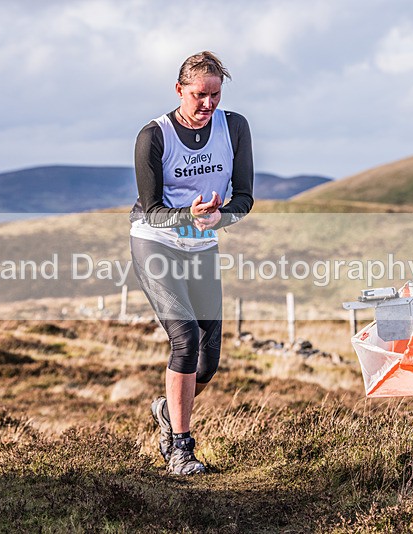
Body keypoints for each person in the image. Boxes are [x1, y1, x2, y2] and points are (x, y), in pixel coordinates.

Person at [130, 51, 254, 475]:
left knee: (207, 361)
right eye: (199, 95)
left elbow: (244, 197)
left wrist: (222, 217)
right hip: (157, 241)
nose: (208, 104)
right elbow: (152, 212)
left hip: (201, 245)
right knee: (184, 339)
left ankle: (168, 410)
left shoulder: (234, 127)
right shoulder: (154, 136)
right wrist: (190, 215)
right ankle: (180, 449)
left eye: (215, 95)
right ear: (179, 90)